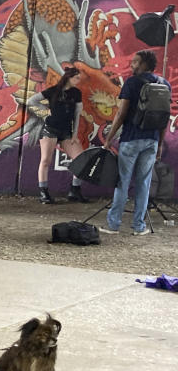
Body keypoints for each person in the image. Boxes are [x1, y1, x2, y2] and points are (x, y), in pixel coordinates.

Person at [101, 49, 172, 236]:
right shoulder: (164, 84)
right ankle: (139, 226)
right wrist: (160, 143)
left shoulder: (132, 83)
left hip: (131, 139)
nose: (132, 64)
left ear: (144, 65)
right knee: (144, 184)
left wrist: (109, 139)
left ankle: (114, 225)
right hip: (152, 140)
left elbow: (121, 113)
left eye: (135, 62)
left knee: (122, 182)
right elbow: (165, 117)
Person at [28, 66, 89, 204]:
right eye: (76, 78)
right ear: (68, 77)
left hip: (66, 132)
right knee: (45, 160)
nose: (78, 81)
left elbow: (77, 115)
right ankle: (43, 192)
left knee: (81, 159)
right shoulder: (53, 91)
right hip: (50, 129)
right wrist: (46, 110)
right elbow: (31, 101)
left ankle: (75, 190)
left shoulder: (76, 93)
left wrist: (74, 135)